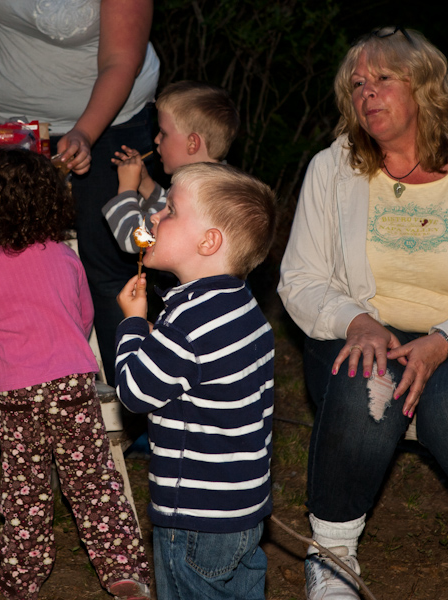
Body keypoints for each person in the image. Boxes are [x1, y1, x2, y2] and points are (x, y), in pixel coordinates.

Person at [278, 27, 448, 600]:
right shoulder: (335, 169)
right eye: (357, 84)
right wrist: (356, 320)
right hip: (364, 334)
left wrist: (444, 339)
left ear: (426, 87)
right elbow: (300, 279)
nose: (367, 93)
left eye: (383, 79)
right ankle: (332, 560)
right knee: (366, 378)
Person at [0, 147, 150, 600]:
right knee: (93, 480)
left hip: (19, 396)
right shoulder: (64, 257)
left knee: (26, 488)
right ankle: (122, 572)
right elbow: (83, 316)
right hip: (73, 385)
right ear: (52, 202)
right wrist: (65, 351)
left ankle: (21, 577)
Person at [0, 0, 161, 385]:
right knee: (12, 264)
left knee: (110, 266)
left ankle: (136, 400)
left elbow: (121, 59)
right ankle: (27, 391)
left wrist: (84, 132)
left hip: (108, 127)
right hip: (8, 131)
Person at [114, 162, 276, 600]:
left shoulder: (187, 320)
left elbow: (133, 391)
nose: (155, 216)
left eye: (170, 211)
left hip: (195, 516)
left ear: (209, 241)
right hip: (244, 509)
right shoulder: (245, 309)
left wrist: (133, 325)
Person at [103, 81, 240, 254]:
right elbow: (167, 211)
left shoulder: (199, 194)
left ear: (192, 143)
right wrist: (146, 185)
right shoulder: (215, 184)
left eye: (164, 133)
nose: (156, 140)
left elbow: (137, 239)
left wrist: (126, 189)